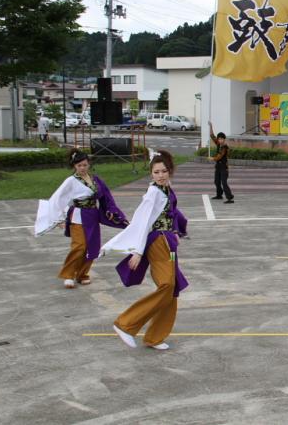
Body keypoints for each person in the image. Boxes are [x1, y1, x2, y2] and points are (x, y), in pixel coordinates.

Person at [103, 150, 189, 351]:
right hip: (157, 242)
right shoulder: (153, 194)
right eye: (156, 172)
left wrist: (175, 229)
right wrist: (138, 251)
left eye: (164, 171)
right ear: (151, 173)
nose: (161, 175)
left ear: (169, 172)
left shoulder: (166, 188)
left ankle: (154, 337)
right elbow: (141, 223)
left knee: (172, 290)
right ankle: (126, 324)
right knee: (167, 285)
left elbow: (172, 212)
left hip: (168, 241)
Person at [34, 149, 128, 289]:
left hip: (93, 216)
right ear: (74, 166)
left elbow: (106, 198)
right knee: (80, 246)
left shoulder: (96, 180)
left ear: (89, 164)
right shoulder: (71, 181)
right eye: (79, 166)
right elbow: (57, 198)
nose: (82, 168)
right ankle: (68, 275)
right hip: (78, 217)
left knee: (92, 247)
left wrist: (113, 212)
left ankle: (82, 274)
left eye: (84, 165)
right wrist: (59, 218)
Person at [208, 121, 233, 203]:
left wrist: (212, 158)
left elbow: (220, 156)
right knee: (216, 181)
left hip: (224, 168)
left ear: (224, 139)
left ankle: (229, 197)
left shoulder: (225, 147)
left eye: (221, 139)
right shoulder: (218, 144)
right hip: (218, 167)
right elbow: (212, 136)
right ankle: (219, 195)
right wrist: (211, 126)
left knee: (224, 183)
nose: (220, 140)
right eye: (219, 139)